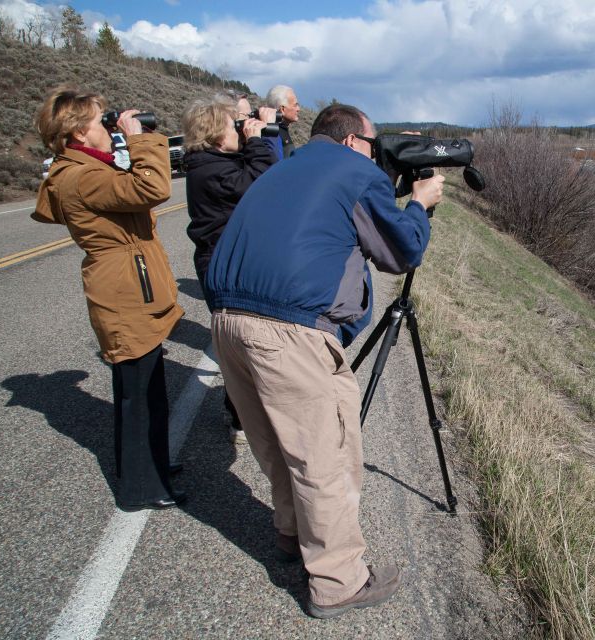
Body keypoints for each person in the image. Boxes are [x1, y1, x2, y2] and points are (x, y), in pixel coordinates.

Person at [205, 104, 444, 618]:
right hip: (287, 331)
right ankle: (338, 582)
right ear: (355, 141)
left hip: (227, 320)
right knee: (324, 456)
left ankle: (292, 534)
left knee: (276, 443)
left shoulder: (286, 164)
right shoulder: (356, 171)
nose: (377, 158)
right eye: (374, 147)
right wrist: (420, 204)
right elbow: (400, 253)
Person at [32, 85, 185, 512]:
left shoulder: (81, 169)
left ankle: (149, 466)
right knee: (139, 393)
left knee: (146, 387)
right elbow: (153, 188)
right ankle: (141, 487)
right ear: (79, 133)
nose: (107, 126)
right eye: (100, 121)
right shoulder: (83, 176)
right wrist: (139, 139)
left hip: (125, 282)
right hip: (123, 289)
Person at [181, 94, 277, 445]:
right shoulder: (211, 168)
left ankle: (241, 410)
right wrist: (257, 139)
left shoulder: (212, 161)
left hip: (229, 260)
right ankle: (240, 415)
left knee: (242, 343)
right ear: (217, 135)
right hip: (222, 265)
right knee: (241, 344)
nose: (238, 130)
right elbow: (263, 182)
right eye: (232, 126)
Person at [264, 84, 301, 159]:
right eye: (295, 105)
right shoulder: (274, 134)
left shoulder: (272, 130)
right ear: (282, 109)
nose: (298, 109)